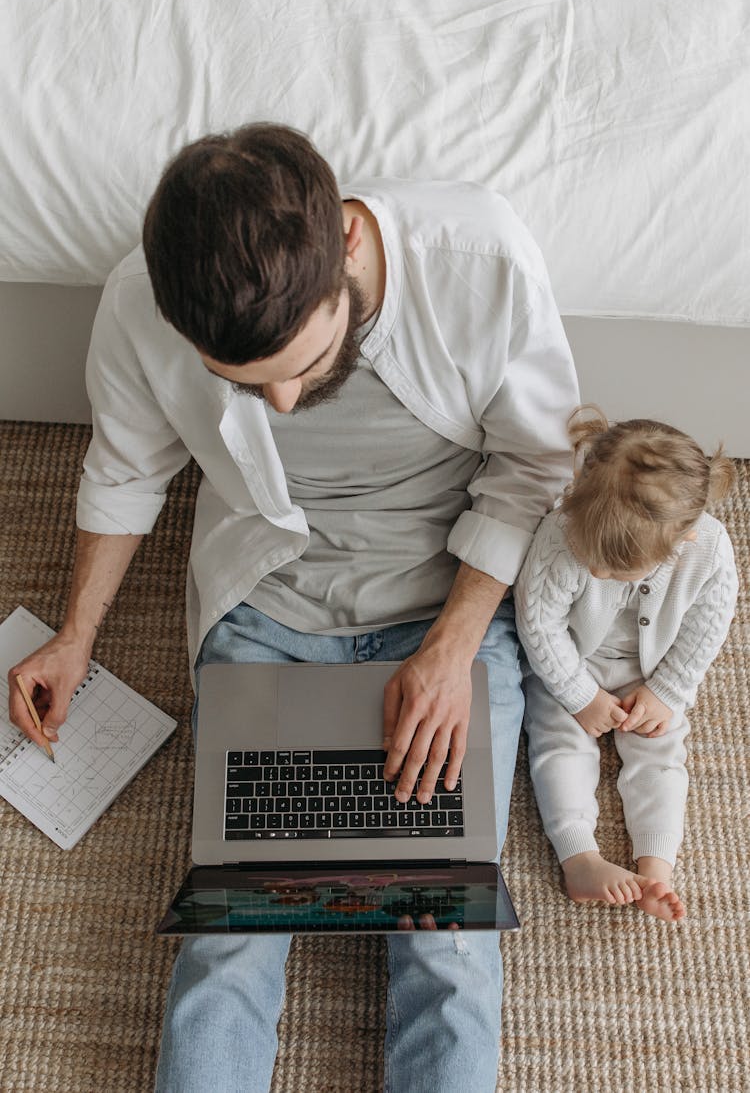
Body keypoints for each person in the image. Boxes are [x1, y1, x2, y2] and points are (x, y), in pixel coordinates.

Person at [7, 122, 579, 1091]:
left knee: (443, 946)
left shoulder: (475, 256)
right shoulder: (142, 304)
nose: (277, 405)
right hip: (270, 612)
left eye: (301, 366)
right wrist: (76, 636)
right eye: (245, 383)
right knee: (231, 938)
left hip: (442, 611)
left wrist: (451, 652)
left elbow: (538, 463)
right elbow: (128, 468)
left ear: (344, 249)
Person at [515, 408, 738, 923]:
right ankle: (581, 859)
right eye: (593, 558)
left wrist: (669, 690)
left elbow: (707, 626)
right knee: (557, 741)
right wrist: (577, 694)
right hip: (572, 662)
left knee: (661, 755)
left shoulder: (708, 550)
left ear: (680, 544)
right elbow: (539, 624)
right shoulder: (561, 536)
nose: (595, 571)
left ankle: (656, 869)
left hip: (654, 671)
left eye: (613, 569)